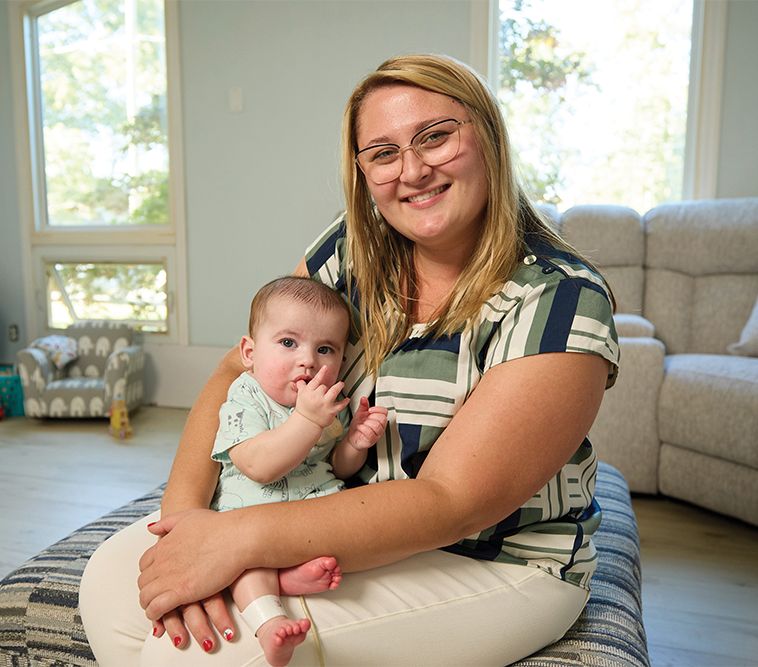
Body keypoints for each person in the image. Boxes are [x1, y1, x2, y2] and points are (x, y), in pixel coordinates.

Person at [79, 53, 619, 667]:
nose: (412, 170)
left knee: (200, 657)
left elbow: (451, 501)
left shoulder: (562, 299)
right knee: (111, 582)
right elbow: (240, 369)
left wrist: (235, 540)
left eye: (435, 137)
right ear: (363, 171)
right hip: (327, 509)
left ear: (489, 136)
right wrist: (185, 526)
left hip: (491, 561)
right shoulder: (353, 249)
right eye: (383, 153)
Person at [194, 276, 388, 666]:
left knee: (342, 549)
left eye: (325, 349)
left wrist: (354, 443)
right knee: (248, 569)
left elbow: (335, 466)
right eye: (288, 343)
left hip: (313, 513)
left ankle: (286, 578)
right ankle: (269, 625)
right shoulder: (245, 395)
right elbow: (259, 466)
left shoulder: (326, 403)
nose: (308, 360)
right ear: (250, 352)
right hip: (251, 516)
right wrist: (306, 420)